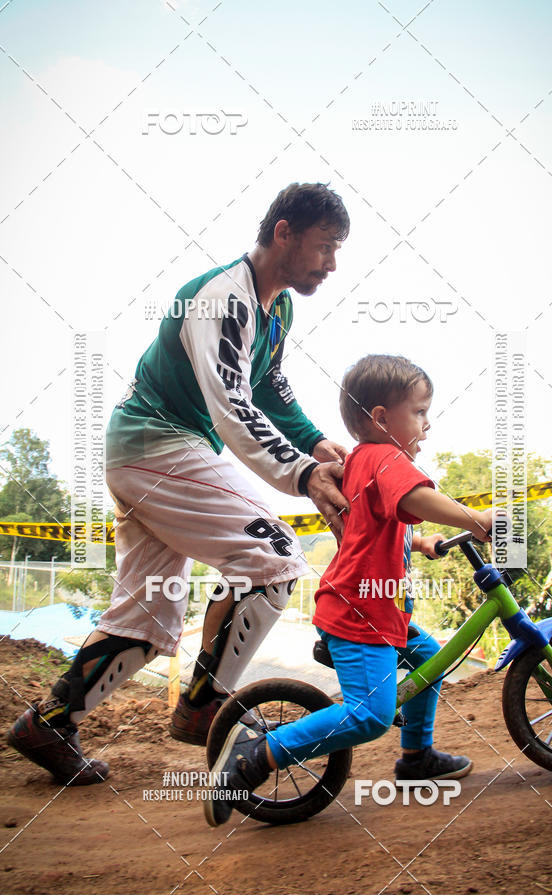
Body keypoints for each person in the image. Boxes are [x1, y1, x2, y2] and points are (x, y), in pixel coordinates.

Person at [7, 183, 352, 785]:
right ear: (283, 232)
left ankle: (49, 723)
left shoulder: (278, 308)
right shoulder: (222, 299)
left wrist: (316, 442)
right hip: (158, 445)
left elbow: (268, 387)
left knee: (146, 615)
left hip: (151, 451)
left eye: (338, 250)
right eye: (325, 247)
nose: (332, 263)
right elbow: (230, 407)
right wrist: (301, 473)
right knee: (272, 555)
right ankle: (203, 706)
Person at [204, 353, 496, 827]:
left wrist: (422, 542)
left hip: (376, 607)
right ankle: (253, 757)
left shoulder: (364, 460)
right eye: (419, 412)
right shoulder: (384, 457)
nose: (427, 423)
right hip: (361, 610)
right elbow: (413, 498)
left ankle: (417, 757)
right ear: (381, 418)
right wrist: (473, 518)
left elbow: (379, 521)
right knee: (369, 717)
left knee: (427, 658)